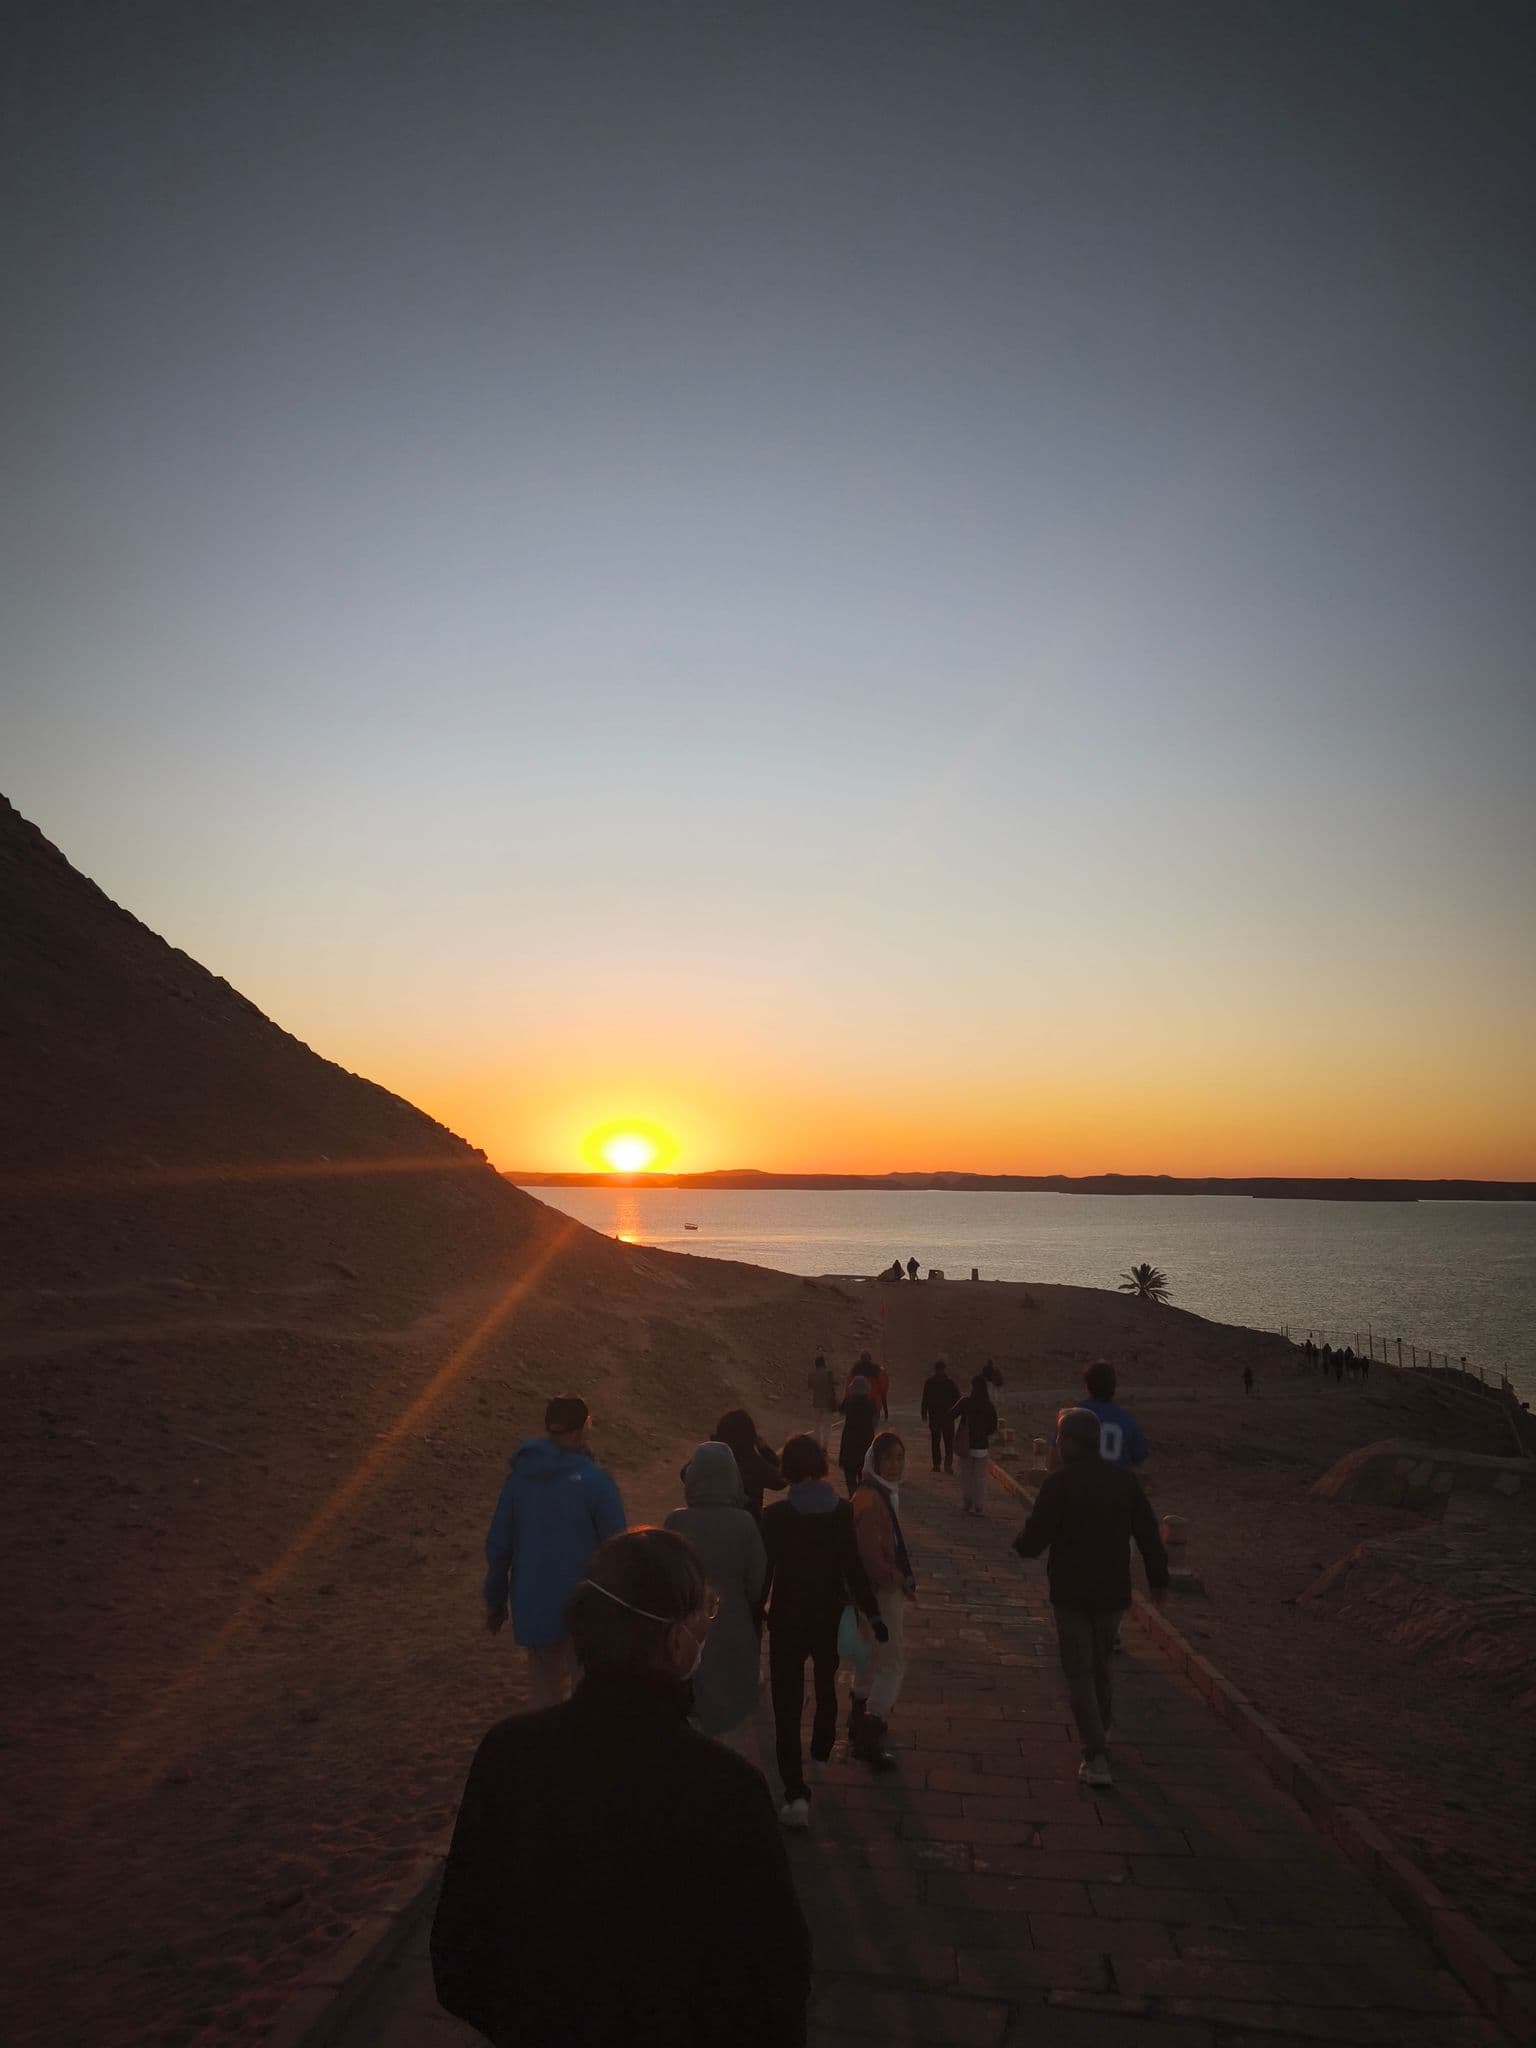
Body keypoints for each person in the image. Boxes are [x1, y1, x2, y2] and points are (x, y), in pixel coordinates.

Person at [434, 1528, 812, 2048]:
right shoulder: (728, 1790)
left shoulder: (508, 1754)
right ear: (677, 1643)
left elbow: (457, 1956)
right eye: (706, 1613)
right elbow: (775, 1989)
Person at [1012, 1408, 1169, 1789]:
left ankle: (1096, 1754)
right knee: (1099, 1664)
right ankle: (1103, 1728)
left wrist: (1020, 1543)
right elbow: (1149, 1534)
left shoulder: (1059, 1484)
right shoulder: (1124, 1482)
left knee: (1078, 1672)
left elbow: (1033, 1542)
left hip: (1070, 1594)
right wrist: (1158, 1582)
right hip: (1113, 1594)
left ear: (1067, 1442)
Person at [761, 1434, 884, 1829]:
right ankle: (823, 1740)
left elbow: (766, 1572)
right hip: (827, 1616)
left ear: (788, 1470)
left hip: (786, 1619)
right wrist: (874, 1614)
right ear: (821, 1466)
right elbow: (852, 1567)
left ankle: (795, 1793)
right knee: (827, 1681)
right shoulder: (840, 1511)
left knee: (786, 1702)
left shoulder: (776, 1517)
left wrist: (753, 1610)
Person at [482, 1396, 626, 1709]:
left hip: (533, 1602)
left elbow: (499, 1546)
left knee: (545, 1699)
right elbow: (618, 1550)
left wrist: (495, 1602)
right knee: (588, 1695)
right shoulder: (596, 1483)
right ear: (580, 1431)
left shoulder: (518, 1481)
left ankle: (553, 1754)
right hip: (585, 1606)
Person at [664, 1443, 767, 1745]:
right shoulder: (744, 1523)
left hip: (686, 1632)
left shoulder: (675, 1522)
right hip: (733, 1629)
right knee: (732, 1727)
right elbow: (757, 1584)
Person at [849, 1431, 916, 1773]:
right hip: (880, 1591)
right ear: (875, 1461)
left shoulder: (875, 1493)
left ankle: (858, 1715)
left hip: (865, 1592)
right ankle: (869, 1728)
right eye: (888, 1458)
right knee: (892, 1661)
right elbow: (872, 1556)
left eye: (900, 1458)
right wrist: (897, 1579)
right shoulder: (874, 1500)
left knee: (867, 1653)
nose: (895, 1465)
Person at [712, 1409, 787, 1519]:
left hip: (715, 1520)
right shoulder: (755, 1464)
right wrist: (765, 1450)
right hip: (748, 1525)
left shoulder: (713, 1457)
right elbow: (781, 1480)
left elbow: (685, 1472)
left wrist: (713, 1444)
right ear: (751, 1436)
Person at [1074, 1361, 1149, 1468]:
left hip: (1081, 1481)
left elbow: (1056, 1457)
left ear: (1087, 1386)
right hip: (1117, 1482)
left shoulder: (1072, 1417)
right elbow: (1141, 1461)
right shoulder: (1127, 1421)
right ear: (1113, 1387)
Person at [955, 1371, 998, 1516]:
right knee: (980, 1477)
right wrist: (984, 1433)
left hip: (967, 1445)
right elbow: (993, 1427)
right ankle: (979, 1506)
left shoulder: (966, 1402)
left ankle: (967, 1502)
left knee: (966, 1474)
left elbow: (951, 1414)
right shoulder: (989, 1406)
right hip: (982, 1447)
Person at [837, 1372, 881, 1495]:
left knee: (850, 1477)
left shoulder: (848, 1402)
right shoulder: (870, 1404)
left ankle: (853, 1498)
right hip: (865, 1443)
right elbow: (875, 1420)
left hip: (849, 1443)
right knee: (864, 1476)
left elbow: (840, 1410)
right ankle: (861, 1501)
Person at [920, 1357, 960, 1473]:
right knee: (947, 1442)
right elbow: (957, 1399)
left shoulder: (930, 1382)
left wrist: (924, 1413)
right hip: (947, 1417)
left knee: (936, 1441)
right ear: (944, 1369)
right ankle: (947, 1465)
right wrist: (955, 1413)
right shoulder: (950, 1383)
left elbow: (925, 1399)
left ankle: (937, 1465)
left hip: (935, 1416)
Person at [806, 1354, 839, 1449]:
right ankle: (825, 1446)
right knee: (827, 1426)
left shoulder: (812, 1374)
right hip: (827, 1403)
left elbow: (810, 1386)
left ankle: (817, 1444)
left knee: (816, 1425)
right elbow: (835, 1383)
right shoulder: (829, 1373)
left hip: (816, 1402)